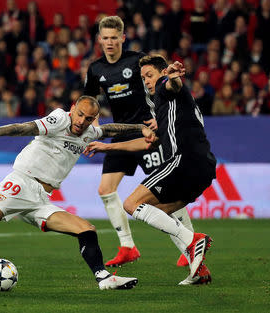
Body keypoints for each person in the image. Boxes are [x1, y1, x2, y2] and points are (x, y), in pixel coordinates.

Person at [0, 95, 154, 290]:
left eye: (89, 118)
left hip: (40, 199)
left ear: (94, 118)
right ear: (73, 109)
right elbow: (26, 127)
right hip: (22, 182)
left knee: (86, 229)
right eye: (80, 114)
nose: (82, 121)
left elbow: (110, 130)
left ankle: (103, 278)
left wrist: (140, 128)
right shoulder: (59, 118)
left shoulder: (90, 132)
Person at [84, 56, 216, 285]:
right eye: (143, 77)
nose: (146, 81)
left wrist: (171, 76)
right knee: (161, 212)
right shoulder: (166, 109)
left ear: (162, 73)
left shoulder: (167, 90)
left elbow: (171, 84)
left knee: (130, 204)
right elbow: (148, 143)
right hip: (203, 167)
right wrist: (108, 147)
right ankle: (200, 269)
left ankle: (192, 240)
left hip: (184, 160)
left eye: (150, 75)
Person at [83, 15, 196, 267]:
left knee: (165, 192)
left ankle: (189, 244)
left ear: (123, 38)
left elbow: (162, 80)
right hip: (122, 134)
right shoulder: (96, 69)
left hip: (148, 133)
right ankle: (127, 247)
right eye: (106, 38)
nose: (110, 42)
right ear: (99, 40)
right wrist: (95, 127)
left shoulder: (137, 61)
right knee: (105, 189)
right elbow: (89, 103)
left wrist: (162, 115)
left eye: (115, 37)